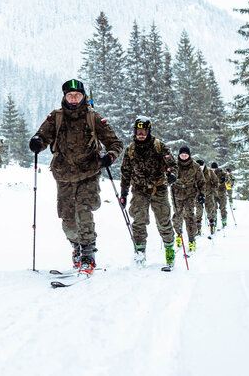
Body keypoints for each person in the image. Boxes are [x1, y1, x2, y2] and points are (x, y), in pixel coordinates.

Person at [29, 79, 123, 275]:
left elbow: (115, 143)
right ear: (64, 96)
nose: (73, 99)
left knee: (84, 210)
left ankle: (88, 255)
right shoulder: (56, 117)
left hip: (89, 172)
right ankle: (76, 247)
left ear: (83, 97)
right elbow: (42, 136)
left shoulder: (93, 117)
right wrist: (38, 142)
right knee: (68, 219)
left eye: (77, 95)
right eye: (70, 95)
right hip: (63, 174)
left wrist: (110, 156)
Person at [119, 116, 178, 269]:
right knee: (138, 222)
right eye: (138, 131)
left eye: (144, 131)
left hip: (159, 189)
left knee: (163, 220)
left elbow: (171, 164)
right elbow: (125, 172)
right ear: (135, 131)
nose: (141, 134)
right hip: (139, 190)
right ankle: (140, 253)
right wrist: (124, 193)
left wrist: (172, 174)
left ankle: (169, 250)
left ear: (148, 131)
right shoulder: (130, 149)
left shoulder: (159, 146)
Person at [171, 146, 205, 253]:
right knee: (177, 215)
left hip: (190, 194)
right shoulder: (174, 166)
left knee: (190, 216)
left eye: (186, 155)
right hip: (176, 193)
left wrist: (201, 194)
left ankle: (191, 239)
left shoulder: (195, 166)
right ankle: (178, 234)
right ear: (179, 155)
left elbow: (201, 181)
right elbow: (167, 177)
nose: (184, 157)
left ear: (189, 155)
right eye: (182, 155)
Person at [195, 159, 219, 236]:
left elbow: (216, 181)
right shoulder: (194, 172)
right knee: (198, 212)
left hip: (208, 195)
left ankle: (212, 226)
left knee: (210, 211)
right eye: (198, 166)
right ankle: (198, 229)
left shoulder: (209, 172)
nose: (200, 168)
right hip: (198, 195)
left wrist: (213, 189)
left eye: (201, 166)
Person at [211, 162, 228, 228]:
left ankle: (224, 221)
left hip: (222, 193)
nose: (214, 170)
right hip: (214, 193)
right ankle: (214, 220)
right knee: (214, 208)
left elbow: (227, 178)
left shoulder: (222, 173)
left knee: (222, 208)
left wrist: (225, 179)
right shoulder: (210, 173)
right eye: (212, 168)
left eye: (215, 168)